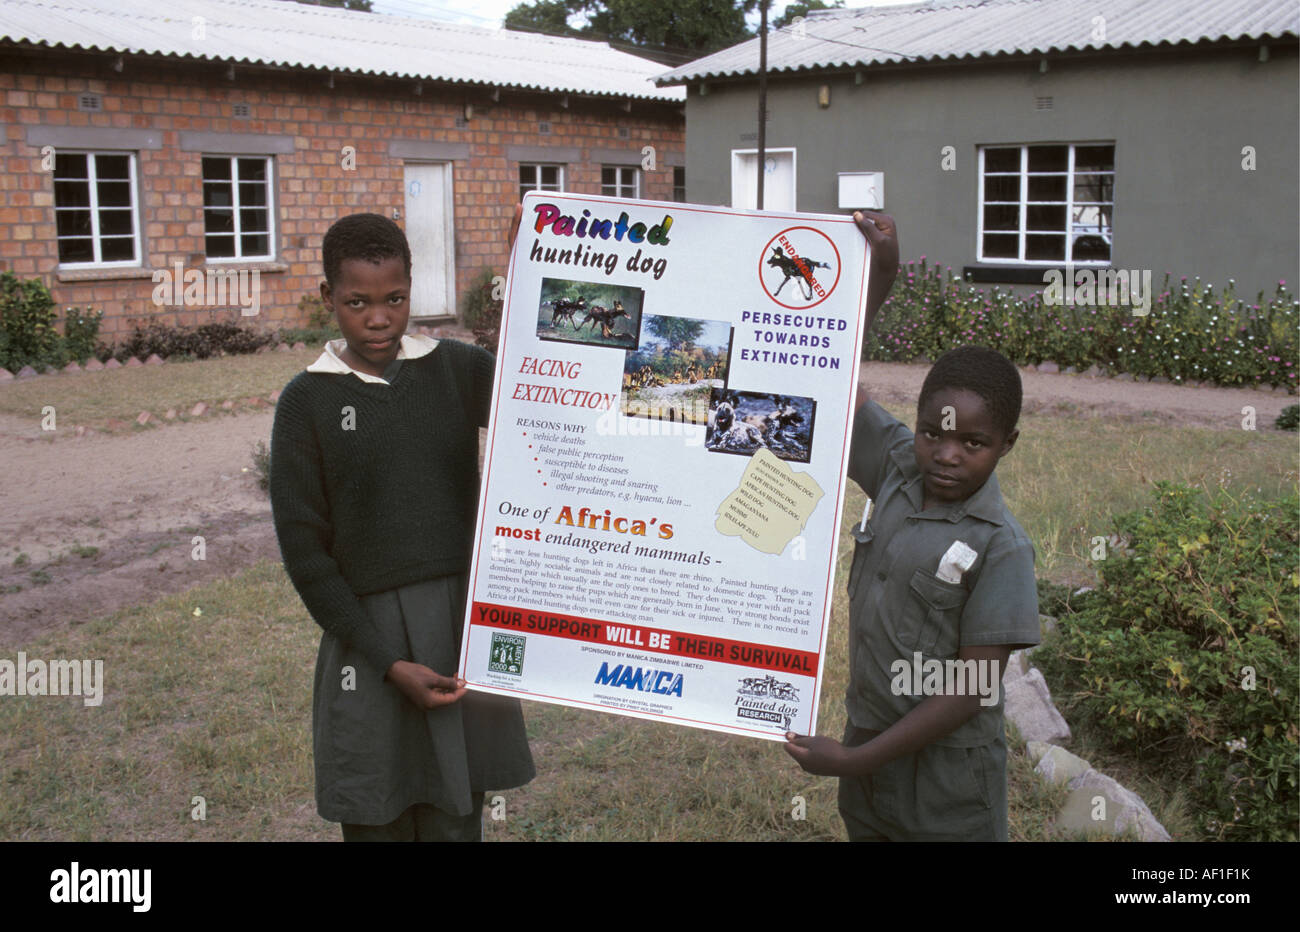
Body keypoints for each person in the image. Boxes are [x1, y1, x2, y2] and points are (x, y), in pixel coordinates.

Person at [270, 212, 534, 842]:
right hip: (368, 646)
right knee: (375, 812)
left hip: (454, 628)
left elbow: (543, 385)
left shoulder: (455, 370)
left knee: (454, 814)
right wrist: (388, 660)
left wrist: (533, 267)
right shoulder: (306, 402)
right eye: (357, 302)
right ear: (327, 297)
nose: (379, 318)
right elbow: (307, 557)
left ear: (412, 288)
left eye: (395, 299)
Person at [784, 329, 1041, 841]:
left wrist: (856, 760)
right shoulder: (898, 467)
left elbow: (972, 689)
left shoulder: (1001, 547)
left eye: (972, 443)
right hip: (869, 742)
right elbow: (836, 373)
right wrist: (879, 268)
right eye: (932, 434)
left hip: (948, 786)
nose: (946, 455)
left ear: (1006, 444)